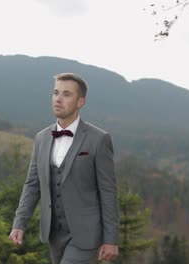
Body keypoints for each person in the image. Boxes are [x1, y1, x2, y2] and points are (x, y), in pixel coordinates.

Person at [9, 73, 119, 264]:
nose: (58, 99)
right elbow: (32, 185)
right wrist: (20, 223)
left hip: (86, 234)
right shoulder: (41, 138)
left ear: (80, 102)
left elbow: (108, 191)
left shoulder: (99, 139)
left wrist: (111, 239)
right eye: (55, 92)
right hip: (53, 234)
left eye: (66, 94)